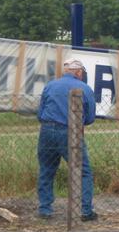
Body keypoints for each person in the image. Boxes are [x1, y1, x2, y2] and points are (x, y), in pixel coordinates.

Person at [37, 58, 97, 221]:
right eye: (82, 72)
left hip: (47, 130)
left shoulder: (50, 85)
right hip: (70, 131)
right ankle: (85, 211)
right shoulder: (85, 88)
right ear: (78, 72)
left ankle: (45, 209)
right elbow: (90, 117)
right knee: (83, 171)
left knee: (46, 169)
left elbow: (40, 113)